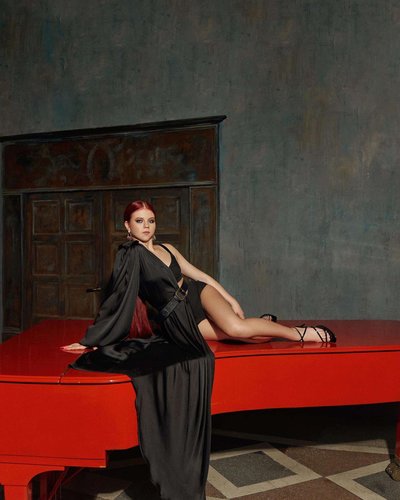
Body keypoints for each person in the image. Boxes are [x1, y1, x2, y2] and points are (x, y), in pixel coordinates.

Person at [62, 200, 335, 500]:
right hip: (177, 320)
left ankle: (299, 333)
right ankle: (265, 324)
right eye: (139, 221)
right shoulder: (130, 256)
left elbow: (199, 275)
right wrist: (96, 338)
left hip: (197, 295)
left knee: (236, 329)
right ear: (127, 226)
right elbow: (118, 299)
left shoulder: (167, 248)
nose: (146, 226)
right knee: (242, 337)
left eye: (150, 220)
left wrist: (228, 297)